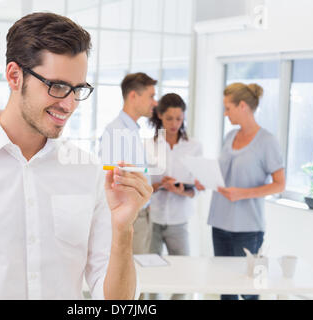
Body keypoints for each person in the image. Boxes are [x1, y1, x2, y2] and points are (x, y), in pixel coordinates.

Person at [0, 12, 152, 300]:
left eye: (78, 89)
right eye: (58, 86)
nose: (69, 104)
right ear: (14, 76)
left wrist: (123, 231)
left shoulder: (89, 173)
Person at [195, 83, 286, 300]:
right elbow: (223, 174)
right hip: (220, 223)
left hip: (247, 228)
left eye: (228, 108)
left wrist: (242, 194)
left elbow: (279, 184)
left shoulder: (267, 141)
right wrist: (205, 180)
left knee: (249, 290)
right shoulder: (230, 136)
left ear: (242, 105)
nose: (225, 114)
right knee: (226, 289)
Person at [146, 93, 202, 300]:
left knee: (184, 274)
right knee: (151, 273)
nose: (174, 124)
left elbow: (194, 188)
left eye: (179, 119)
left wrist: (180, 189)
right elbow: (143, 184)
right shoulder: (148, 145)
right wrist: (161, 184)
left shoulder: (194, 146)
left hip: (179, 219)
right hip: (153, 218)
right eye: (169, 118)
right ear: (160, 115)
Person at [99, 73, 158, 255]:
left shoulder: (131, 130)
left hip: (142, 213)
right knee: (132, 274)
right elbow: (111, 178)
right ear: (133, 96)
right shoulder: (116, 131)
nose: (154, 103)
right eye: (151, 96)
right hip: (132, 215)